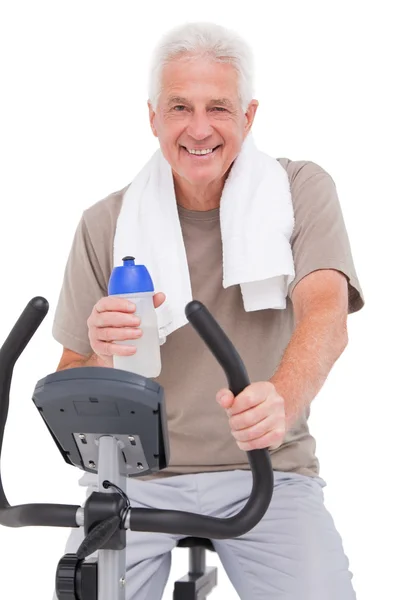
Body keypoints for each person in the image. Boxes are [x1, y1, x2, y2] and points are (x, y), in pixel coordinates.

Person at [52, 21, 364, 600]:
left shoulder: (300, 191)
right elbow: (70, 381)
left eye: (218, 107)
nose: (199, 129)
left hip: (267, 473)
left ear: (248, 117)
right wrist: (103, 351)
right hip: (134, 481)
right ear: (153, 118)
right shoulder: (105, 224)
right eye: (179, 107)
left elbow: (327, 312)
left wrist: (282, 401)